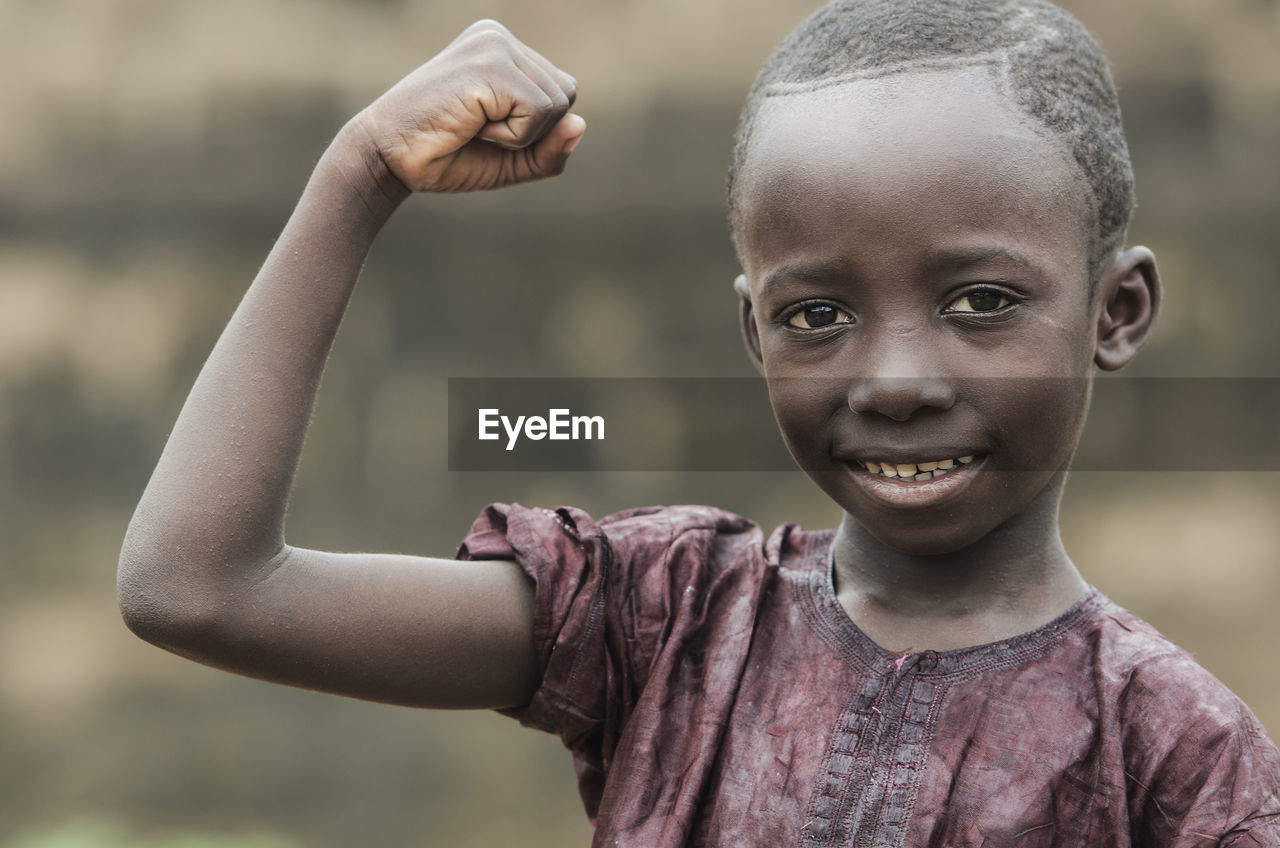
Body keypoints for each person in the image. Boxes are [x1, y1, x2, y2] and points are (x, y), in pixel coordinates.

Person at [117, 1, 1280, 844]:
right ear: (751, 337)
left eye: (979, 301)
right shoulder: (665, 616)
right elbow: (200, 584)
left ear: (1114, 311)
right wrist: (358, 170)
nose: (893, 379)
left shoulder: (1170, 755)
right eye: (816, 313)